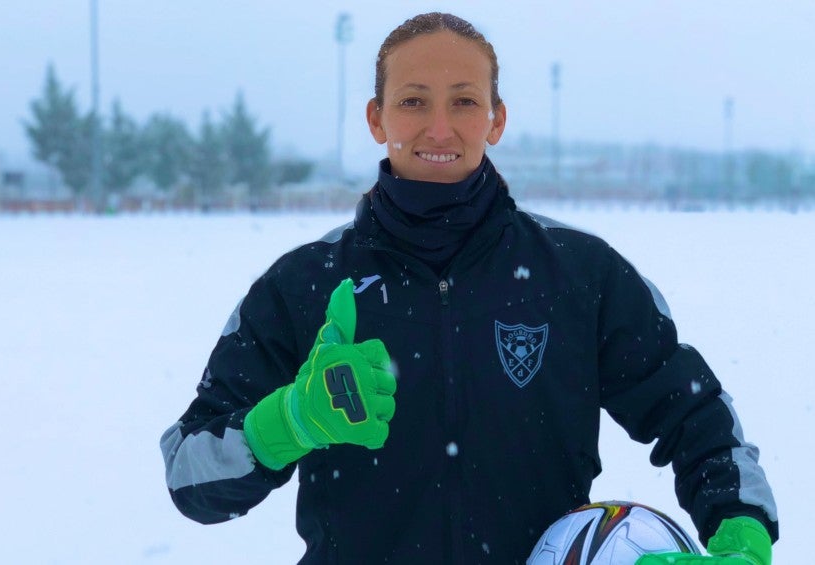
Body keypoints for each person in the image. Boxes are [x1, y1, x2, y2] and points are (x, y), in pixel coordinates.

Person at [160, 12, 778, 565]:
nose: (438, 128)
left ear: (496, 118)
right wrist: (291, 420)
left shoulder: (581, 274)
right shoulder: (304, 284)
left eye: (463, 101)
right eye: (411, 102)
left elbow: (695, 414)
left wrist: (740, 536)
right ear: (376, 118)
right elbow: (189, 476)